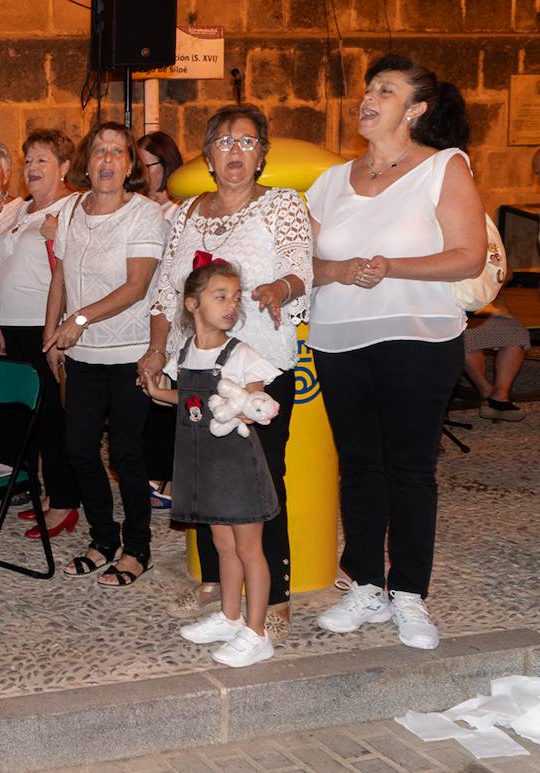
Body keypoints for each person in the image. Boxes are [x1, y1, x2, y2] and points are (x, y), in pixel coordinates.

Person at [307, 54, 486, 650]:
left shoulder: (443, 169)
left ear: (415, 109)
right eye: (367, 89)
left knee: (409, 469)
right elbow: (301, 260)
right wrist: (336, 268)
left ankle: (410, 595)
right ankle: (365, 585)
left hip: (418, 335)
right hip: (339, 339)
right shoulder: (331, 181)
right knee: (358, 467)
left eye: (385, 90)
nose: (368, 97)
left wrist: (389, 268)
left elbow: (468, 255)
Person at [140, 105, 311, 641]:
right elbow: (168, 289)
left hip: (256, 364)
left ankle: (275, 595)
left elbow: (299, 267)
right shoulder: (187, 212)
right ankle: (222, 589)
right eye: (225, 142)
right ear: (208, 155)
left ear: (262, 154)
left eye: (247, 142)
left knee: (260, 481)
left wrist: (278, 290)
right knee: (202, 475)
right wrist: (156, 351)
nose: (235, 151)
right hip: (195, 365)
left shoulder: (283, 204)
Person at [42, 122, 168, 585]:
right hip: (81, 355)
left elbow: (136, 287)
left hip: (130, 351)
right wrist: (51, 334)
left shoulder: (145, 215)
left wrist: (77, 321)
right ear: (86, 161)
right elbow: (60, 278)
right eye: (100, 151)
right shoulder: (71, 209)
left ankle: (137, 547)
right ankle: (102, 537)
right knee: (77, 449)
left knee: (127, 455)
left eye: (118, 152)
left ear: (130, 164)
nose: (108, 160)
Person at [141, 260, 283, 668]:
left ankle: (257, 633)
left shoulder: (240, 354)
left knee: (250, 549)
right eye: (220, 297)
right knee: (223, 544)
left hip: (237, 467)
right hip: (203, 464)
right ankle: (230, 615)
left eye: (235, 299)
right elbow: (189, 401)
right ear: (192, 304)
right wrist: (156, 391)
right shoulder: (184, 353)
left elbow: (258, 402)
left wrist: (250, 409)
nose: (231, 306)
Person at [0, 129, 83, 539]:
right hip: (13, 325)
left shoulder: (73, 207)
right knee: (31, 416)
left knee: (53, 417)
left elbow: (74, 270)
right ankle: (48, 495)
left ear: (64, 167)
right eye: (28, 160)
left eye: (42, 160)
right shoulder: (20, 210)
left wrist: (55, 238)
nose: (31, 168)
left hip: (43, 325)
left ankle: (65, 501)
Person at [136, 131, 186, 511]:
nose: (139, 172)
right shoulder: (136, 208)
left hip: (169, 313)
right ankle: (151, 472)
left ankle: (165, 476)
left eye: (145, 165)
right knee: (147, 393)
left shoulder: (178, 209)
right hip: (141, 313)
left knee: (166, 395)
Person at [137, 131, 185, 221]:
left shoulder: (180, 210)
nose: (140, 172)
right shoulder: (136, 205)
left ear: (167, 165)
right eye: (137, 167)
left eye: (146, 166)